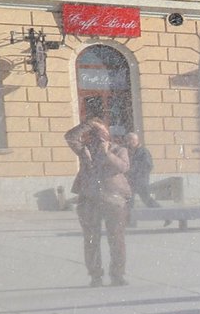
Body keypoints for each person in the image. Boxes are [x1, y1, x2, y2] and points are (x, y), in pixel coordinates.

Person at [64, 118, 132, 287]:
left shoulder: (119, 150)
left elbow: (123, 167)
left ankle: (117, 275)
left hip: (114, 200)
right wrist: (90, 124)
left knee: (116, 239)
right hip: (89, 200)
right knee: (91, 240)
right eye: (95, 134)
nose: (99, 137)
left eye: (102, 133)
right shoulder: (85, 150)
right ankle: (96, 276)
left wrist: (107, 153)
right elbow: (70, 137)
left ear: (108, 135)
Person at [121, 129, 159, 208]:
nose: (128, 142)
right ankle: (130, 217)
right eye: (127, 141)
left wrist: (135, 172)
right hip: (131, 179)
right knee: (129, 199)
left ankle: (160, 212)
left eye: (130, 140)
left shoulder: (143, 151)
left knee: (146, 198)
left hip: (140, 180)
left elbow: (148, 165)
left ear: (134, 141)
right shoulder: (127, 150)